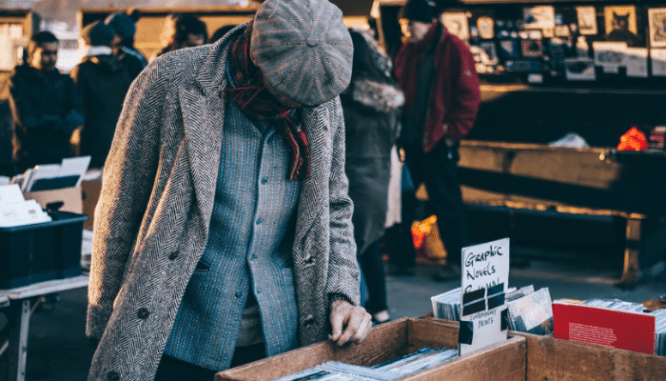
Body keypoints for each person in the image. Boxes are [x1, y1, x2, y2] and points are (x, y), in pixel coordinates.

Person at [86, 0, 372, 380]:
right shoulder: (170, 79)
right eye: (285, 94)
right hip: (174, 331)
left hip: (282, 336)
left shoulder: (320, 99)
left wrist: (343, 294)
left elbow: (334, 207)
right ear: (256, 55)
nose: (298, 107)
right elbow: (120, 205)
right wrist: (104, 320)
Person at [393, 0, 481, 281]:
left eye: (410, 24)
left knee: (446, 202)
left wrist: (452, 133)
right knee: (401, 200)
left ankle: (457, 262)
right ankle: (403, 259)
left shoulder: (453, 47)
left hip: (437, 142)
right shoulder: (407, 51)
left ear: (427, 22)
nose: (406, 30)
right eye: (403, 25)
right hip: (410, 142)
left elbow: (469, 96)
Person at [341, 29, 404, 324]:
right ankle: (379, 308)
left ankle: (354, 310)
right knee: (369, 246)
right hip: (380, 178)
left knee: (346, 250)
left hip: (349, 179)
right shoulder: (387, 97)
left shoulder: (343, 97)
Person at [9, 31, 84, 173]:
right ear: (32, 54)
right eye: (46, 53)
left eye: (55, 53)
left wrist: (44, 120)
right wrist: (60, 122)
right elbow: (26, 119)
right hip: (28, 159)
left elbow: (77, 115)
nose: (52, 58)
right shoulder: (18, 81)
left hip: (59, 158)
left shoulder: (64, 81)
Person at [71, 21, 132, 169]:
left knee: (91, 186)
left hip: (90, 140)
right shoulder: (122, 69)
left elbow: (75, 106)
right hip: (119, 139)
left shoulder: (83, 69)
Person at [105, 10, 147, 80]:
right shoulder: (134, 56)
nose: (107, 35)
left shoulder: (129, 58)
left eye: (110, 31)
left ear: (119, 35)